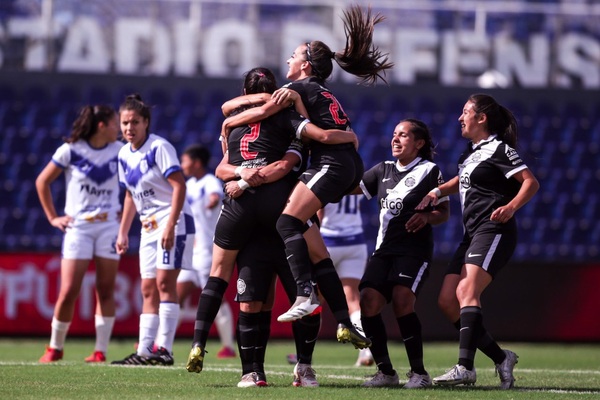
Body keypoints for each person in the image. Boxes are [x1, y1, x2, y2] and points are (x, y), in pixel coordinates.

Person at [220, 5, 393, 346]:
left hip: (331, 163)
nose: (288, 59)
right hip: (343, 164)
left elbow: (266, 112)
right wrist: (346, 136)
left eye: (294, 55)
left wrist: (228, 122)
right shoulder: (323, 92)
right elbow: (334, 129)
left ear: (305, 65)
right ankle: (342, 320)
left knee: (286, 222)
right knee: (308, 237)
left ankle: (305, 294)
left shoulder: (296, 89)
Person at [186, 67, 358, 387]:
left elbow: (223, 166)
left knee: (235, 287)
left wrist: (242, 177)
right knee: (308, 286)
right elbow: (292, 159)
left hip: (242, 210)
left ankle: (235, 362)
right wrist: (348, 136)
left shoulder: (233, 126)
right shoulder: (287, 115)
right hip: (282, 206)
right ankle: (312, 360)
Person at [416, 93, 540, 389]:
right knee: (447, 301)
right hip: (470, 235)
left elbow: (530, 182)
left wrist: (510, 208)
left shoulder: (499, 149)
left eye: (465, 112)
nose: (460, 118)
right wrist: (437, 192)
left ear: (481, 118)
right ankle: (501, 357)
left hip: (493, 230)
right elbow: (462, 180)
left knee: (466, 290)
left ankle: (465, 367)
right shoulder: (470, 153)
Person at [354, 119, 450, 388]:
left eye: (403, 135)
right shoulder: (382, 170)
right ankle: (385, 372)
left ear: (419, 143)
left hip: (413, 250)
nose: (395, 139)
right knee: (368, 300)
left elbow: (444, 213)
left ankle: (419, 374)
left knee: (402, 299)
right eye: (394, 134)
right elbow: (351, 188)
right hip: (383, 249)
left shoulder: (430, 171)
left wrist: (427, 218)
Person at [111, 94, 195, 366]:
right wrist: (123, 231)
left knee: (164, 283)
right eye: (125, 123)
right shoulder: (123, 153)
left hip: (174, 220)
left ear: (146, 122)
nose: (129, 128)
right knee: (147, 288)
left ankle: (165, 350)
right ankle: (145, 350)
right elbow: (129, 196)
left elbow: (179, 186)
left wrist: (171, 224)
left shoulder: (159, 147)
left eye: (135, 121)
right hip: (148, 226)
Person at [36, 105, 122, 363]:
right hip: (79, 229)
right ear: (101, 126)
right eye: (115, 123)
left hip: (109, 228)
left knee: (105, 290)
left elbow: (136, 183)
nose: (119, 128)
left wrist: (127, 211)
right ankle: (55, 347)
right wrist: (53, 217)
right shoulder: (70, 150)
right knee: (68, 290)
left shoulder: (120, 152)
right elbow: (42, 181)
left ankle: (100, 351)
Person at [177, 144, 235, 359]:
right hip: (190, 250)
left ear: (197, 162)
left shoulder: (209, 181)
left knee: (214, 298)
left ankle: (228, 346)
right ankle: (159, 343)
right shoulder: (188, 184)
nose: (183, 165)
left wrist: (212, 203)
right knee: (176, 294)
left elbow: (214, 196)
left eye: (185, 160)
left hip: (207, 249)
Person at [317, 195, 374, 367]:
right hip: (355, 241)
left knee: (316, 299)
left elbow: (319, 212)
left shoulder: (328, 176)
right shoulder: (354, 177)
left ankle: (304, 353)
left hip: (328, 240)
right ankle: (366, 351)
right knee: (353, 299)